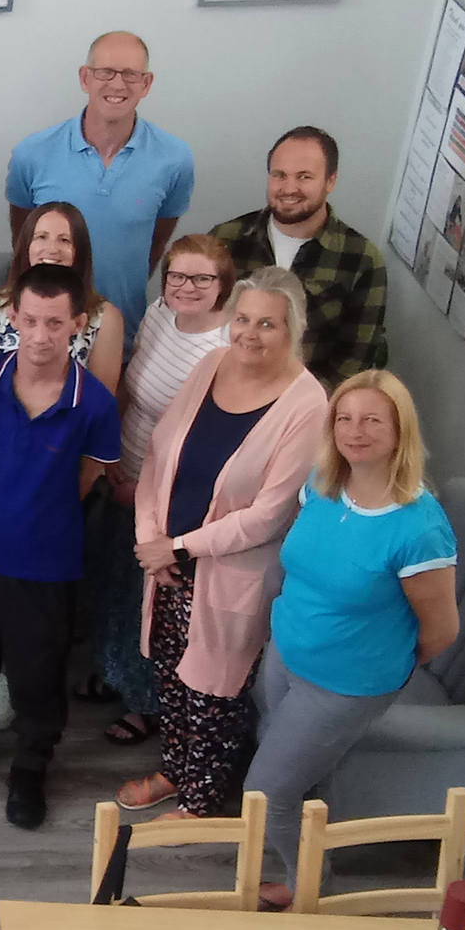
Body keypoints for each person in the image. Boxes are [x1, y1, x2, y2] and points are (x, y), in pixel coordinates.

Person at [245, 370, 458, 908]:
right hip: (286, 653)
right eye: (344, 417)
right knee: (310, 772)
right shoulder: (321, 483)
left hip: (346, 683)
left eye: (371, 420)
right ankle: (315, 864)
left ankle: (309, 889)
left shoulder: (418, 528)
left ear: (399, 431)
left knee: (266, 791)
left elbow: (441, 629)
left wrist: (378, 669)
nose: (354, 431)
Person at [123, 270, 327, 819]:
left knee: (213, 695)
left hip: (227, 573)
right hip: (166, 560)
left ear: (293, 330)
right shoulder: (210, 366)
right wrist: (151, 542)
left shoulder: (308, 405)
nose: (250, 334)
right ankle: (174, 770)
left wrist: (179, 547)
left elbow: (269, 515)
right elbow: (160, 454)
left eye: (267, 323)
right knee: (169, 671)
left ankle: (200, 802)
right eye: (242, 319)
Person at [0, 264, 121, 830]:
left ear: (79, 325)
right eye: (30, 320)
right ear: (13, 318)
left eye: (55, 323)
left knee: (37, 672)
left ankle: (31, 766)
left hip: (47, 563)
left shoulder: (96, 403)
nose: (40, 335)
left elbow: (89, 475)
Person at [93, 235, 234, 747]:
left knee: (145, 597)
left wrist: (144, 490)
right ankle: (112, 671)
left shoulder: (223, 350)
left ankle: (144, 701)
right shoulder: (157, 313)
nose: (186, 287)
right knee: (111, 583)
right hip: (123, 467)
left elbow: (199, 439)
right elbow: (129, 384)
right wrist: (111, 455)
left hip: (165, 492)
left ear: (224, 286)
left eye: (202, 278)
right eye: (177, 275)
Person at [6, 32, 195, 336]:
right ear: (85, 78)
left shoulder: (175, 159)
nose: (118, 84)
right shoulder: (32, 153)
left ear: (146, 84)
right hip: (40, 332)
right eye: (105, 72)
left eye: (130, 75)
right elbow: (22, 241)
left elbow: (156, 243)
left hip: (122, 331)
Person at [209, 127, 390, 387]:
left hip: (306, 405)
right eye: (279, 175)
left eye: (304, 177)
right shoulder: (227, 238)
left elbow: (353, 362)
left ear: (331, 181)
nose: (289, 188)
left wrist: (297, 405)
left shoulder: (362, 260)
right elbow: (200, 321)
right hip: (223, 387)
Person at [0, 202, 124, 394]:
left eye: (64, 240)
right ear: (26, 246)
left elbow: (101, 404)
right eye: (41, 237)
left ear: (79, 251)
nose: (52, 249)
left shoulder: (106, 318)